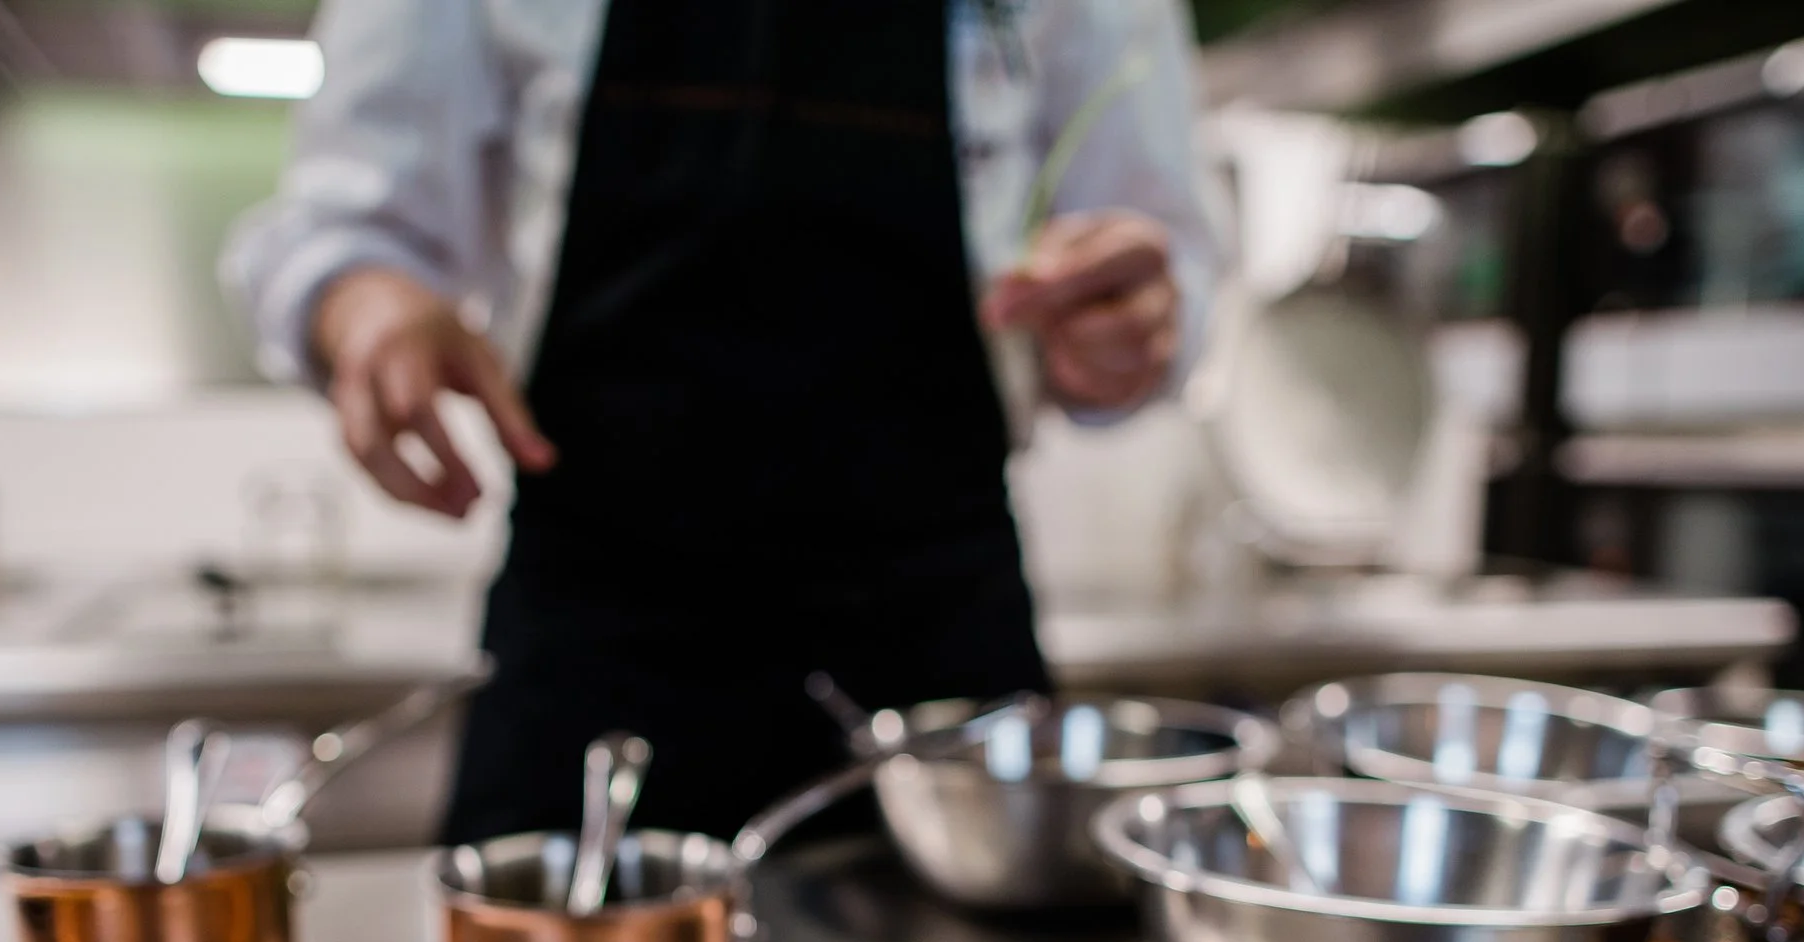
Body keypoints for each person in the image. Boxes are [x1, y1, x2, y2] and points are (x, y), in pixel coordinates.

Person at [226, 0, 1218, 844]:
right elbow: (333, 227)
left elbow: (1164, 255)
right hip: (597, 647)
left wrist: (1130, 324)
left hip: (935, 661)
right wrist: (367, 305)